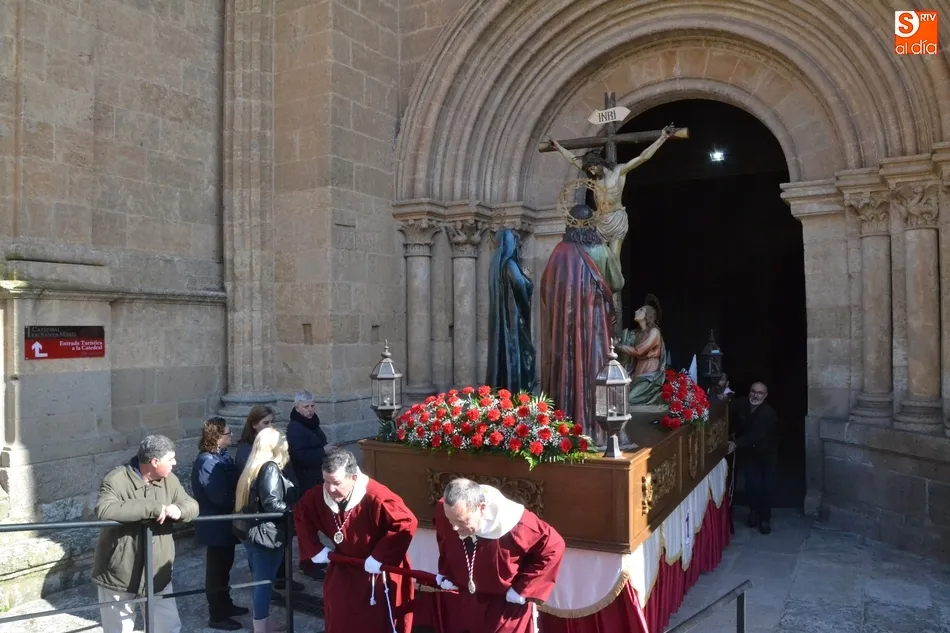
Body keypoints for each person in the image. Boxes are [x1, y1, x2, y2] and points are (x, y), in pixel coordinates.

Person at [294, 449, 418, 633]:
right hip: (344, 566)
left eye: (336, 483)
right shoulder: (320, 495)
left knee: (375, 621)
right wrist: (314, 548)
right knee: (339, 614)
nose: (330, 489)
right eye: (326, 481)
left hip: (377, 570)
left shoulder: (376, 496)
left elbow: (406, 522)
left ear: (353, 478)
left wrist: (380, 556)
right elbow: (301, 513)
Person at [92, 434, 199, 633]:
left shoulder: (170, 480)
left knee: (168, 627)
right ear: (155, 462)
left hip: (158, 572)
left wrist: (180, 510)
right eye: (171, 459)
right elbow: (104, 509)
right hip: (119, 572)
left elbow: (192, 505)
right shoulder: (116, 479)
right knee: (118, 629)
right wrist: (152, 508)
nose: (175, 463)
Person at [432, 478, 566, 633]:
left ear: (481, 508)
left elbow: (553, 547)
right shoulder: (448, 509)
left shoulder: (515, 522)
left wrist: (523, 589)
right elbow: (444, 538)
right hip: (464, 602)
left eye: (462, 521)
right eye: (451, 520)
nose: (455, 528)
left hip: (504, 610)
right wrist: (445, 571)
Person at [539, 202, 622, 428]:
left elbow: (546, 287)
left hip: (566, 325)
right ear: (592, 225)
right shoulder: (602, 250)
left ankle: (566, 422)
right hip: (596, 321)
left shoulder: (559, 252)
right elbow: (617, 283)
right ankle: (600, 426)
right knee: (596, 363)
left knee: (567, 365)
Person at [233, 427, 298, 633]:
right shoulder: (270, 467)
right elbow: (271, 503)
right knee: (264, 583)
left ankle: (263, 623)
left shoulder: (254, 467)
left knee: (260, 581)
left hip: (253, 532)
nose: (286, 443)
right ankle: (261, 627)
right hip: (267, 534)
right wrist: (293, 511)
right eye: (282, 440)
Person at [235, 405, 303, 593]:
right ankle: (267, 589)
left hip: (275, 514)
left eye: (272, 422)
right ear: (254, 425)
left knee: (278, 552)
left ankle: (281, 579)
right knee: (261, 567)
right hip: (260, 517)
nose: (270, 426)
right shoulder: (248, 451)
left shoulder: (272, 449)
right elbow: (258, 489)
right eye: (266, 423)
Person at [192, 417, 248, 630]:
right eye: (227, 433)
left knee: (225, 567)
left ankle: (226, 604)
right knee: (216, 571)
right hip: (215, 524)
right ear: (216, 437)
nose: (231, 436)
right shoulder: (207, 462)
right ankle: (217, 615)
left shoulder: (221, 456)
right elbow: (218, 496)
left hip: (225, 523)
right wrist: (238, 498)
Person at [486, 227, 537, 394]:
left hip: (501, 320)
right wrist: (528, 279)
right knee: (518, 355)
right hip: (513, 321)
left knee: (500, 354)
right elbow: (520, 284)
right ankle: (515, 393)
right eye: (515, 244)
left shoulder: (494, 265)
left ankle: (500, 390)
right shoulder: (510, 264)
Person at [728, 381, 779, 535]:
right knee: (751, 485)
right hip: (750, 453)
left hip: (767, 454)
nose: (755, 395)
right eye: (753, 391)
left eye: (760, 393)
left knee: (767, 486)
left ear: (765, 396)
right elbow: (728, 406)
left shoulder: (768, 413)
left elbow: (758, 435)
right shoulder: (743, 404)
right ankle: (754, 511)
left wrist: (736, 443)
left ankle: (765, 519)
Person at [617, 295, 672, 406]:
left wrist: (617, 345)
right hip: (637, 373)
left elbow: (639, 351)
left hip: (649, 376)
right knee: (619, 396)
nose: (636, 311)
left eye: (641, 310)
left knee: (629, 399)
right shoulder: (636, 334)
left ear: (648, 315)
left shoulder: (654, 332)